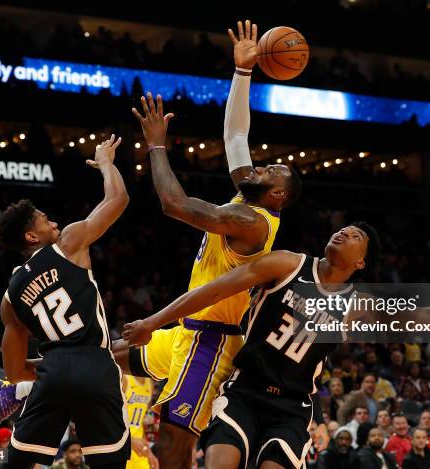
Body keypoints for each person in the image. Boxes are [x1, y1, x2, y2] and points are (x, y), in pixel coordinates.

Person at [123, 222, 430, 468]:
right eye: (345, 228)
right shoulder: (287, 264)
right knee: (219, 461)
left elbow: (427, 318)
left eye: (356, 236)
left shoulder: (358, 304)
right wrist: (153, 322)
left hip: (291, 408)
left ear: (362, 261)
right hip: (244, 391)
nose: (345, 232)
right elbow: (212, 291)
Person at [118, 19, 304, 468]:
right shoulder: (248, 195)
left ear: (277, 194)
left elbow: (174, 203)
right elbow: (236, 135)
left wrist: (157, 148)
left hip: (214, 343)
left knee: (173, 445)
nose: (263, 166)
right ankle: (18, 386)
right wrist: (243, 73)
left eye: (272, 170)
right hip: (188, 330)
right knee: (107, 353)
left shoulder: (250, 220)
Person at [0, 136, 131, 468]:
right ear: (32, 236)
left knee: (17, 463)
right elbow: (118, 198)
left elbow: (15, 371)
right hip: (96, 366)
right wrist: (105, 162)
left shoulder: (10, 295)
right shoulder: (69, 243)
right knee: (110, 464)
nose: (55, 223)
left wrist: (51, 367)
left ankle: (6, 400)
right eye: (45, 220)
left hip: (53, 373)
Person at [123, 375, 159, 469]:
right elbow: (109, 418)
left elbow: (139, 423)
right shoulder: (123, 379)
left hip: (139, 448)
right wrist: (129, 440)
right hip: (120, 446)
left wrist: (149, 452)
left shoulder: (149, 383)